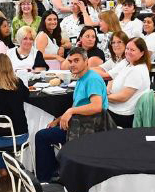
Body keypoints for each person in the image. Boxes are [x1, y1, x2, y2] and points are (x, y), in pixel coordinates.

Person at [32, 48, 107, 182]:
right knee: (46, 133)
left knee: (42, 136)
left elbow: (97, 106)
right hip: (80, 122)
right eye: (70, 61)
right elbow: (76, 105)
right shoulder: (81, 78)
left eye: (76, 61)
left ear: (86, 61)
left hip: (91, 127)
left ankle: (45, 180)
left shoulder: (92, 79)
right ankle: (54, 173)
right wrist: (59, 119)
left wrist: (70, 112)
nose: (72, 64)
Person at [106, 38, 151, 128]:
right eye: (127, 48)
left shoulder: (137, 71)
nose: (128, 52)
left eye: (132, 50)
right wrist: (107, 90)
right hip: (117, 108)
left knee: (89, 111)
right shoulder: (130, 64)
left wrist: (102, 97)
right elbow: (112, 77)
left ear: (142, 53)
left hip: (122, 115)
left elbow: (123, 97)